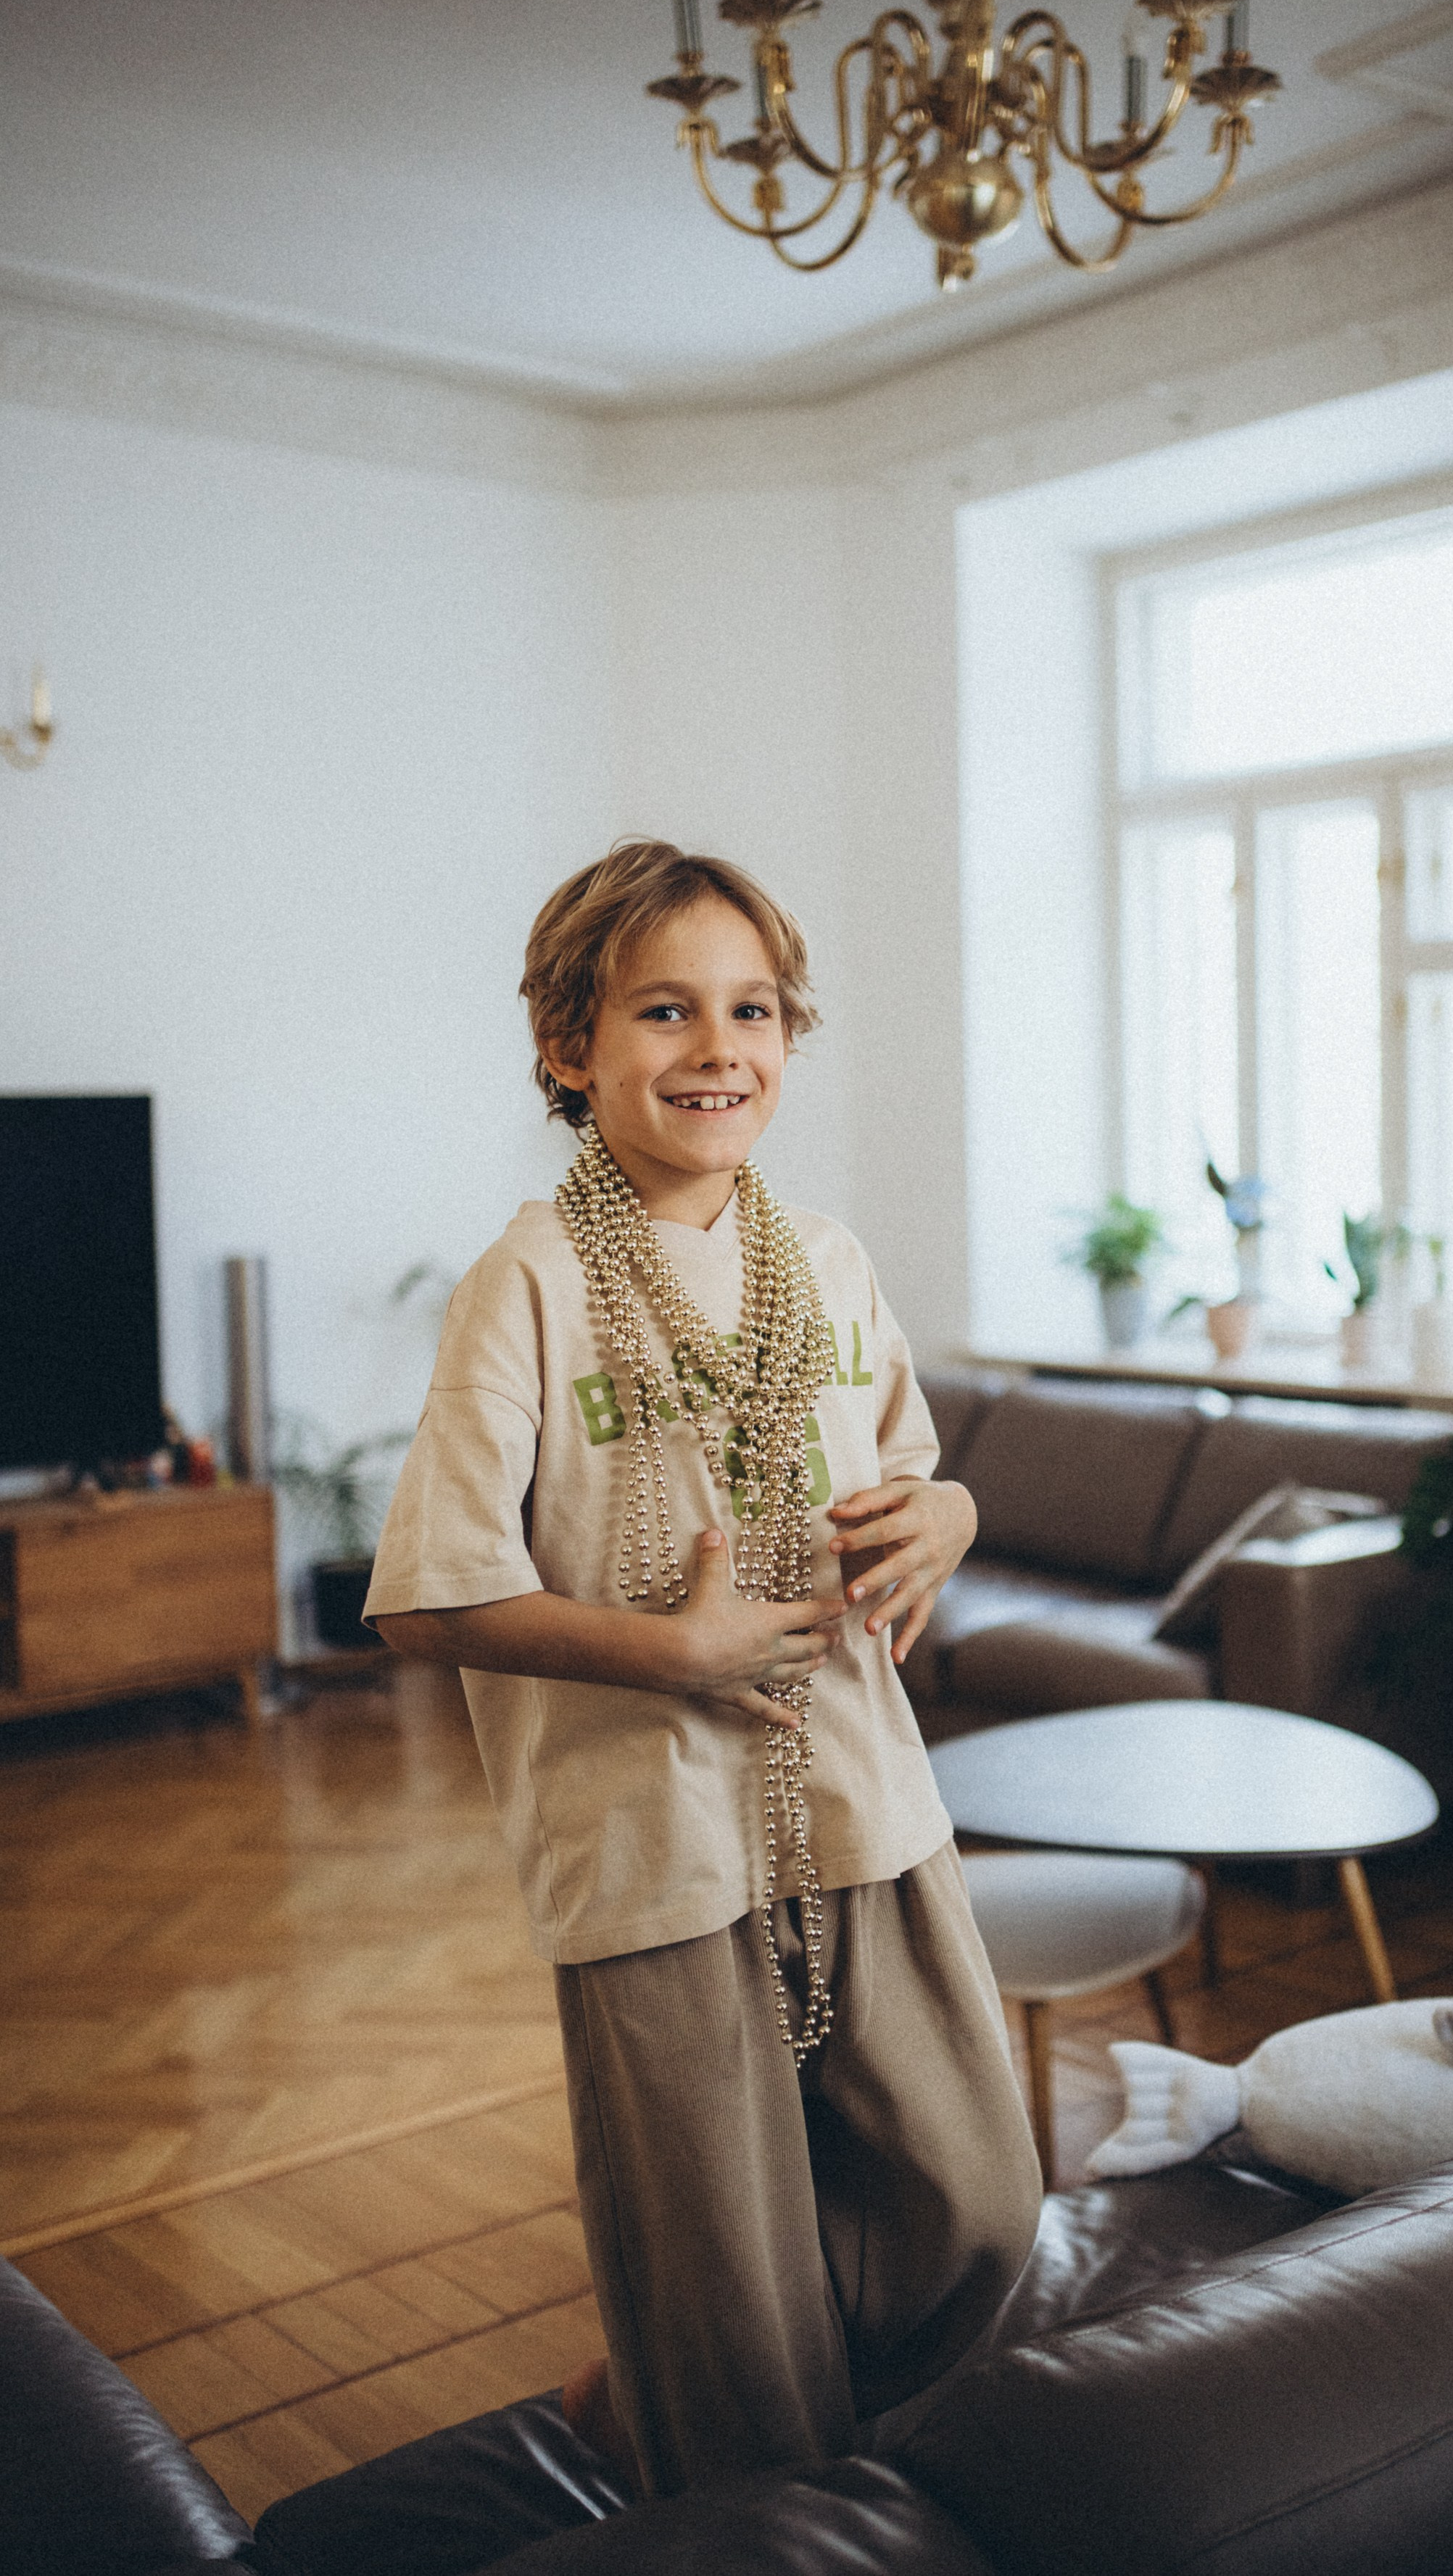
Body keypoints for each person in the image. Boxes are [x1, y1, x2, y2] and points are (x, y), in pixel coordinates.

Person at [366, 837, 1042, 2499]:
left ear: (791, 1038)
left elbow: (914, 1472)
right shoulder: (523, 1282)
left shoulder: (824, 1258)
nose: (715, 1046)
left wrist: (947, 1509)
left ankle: (669, 2404)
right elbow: (427, 1595)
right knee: (731, 2318)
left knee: (978, 2201)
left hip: (864, 1804)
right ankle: (723, 2454)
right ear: (565, 1042)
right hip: (646, 1848)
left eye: (751, 1008)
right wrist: (672, 1653)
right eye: (663, 1008)